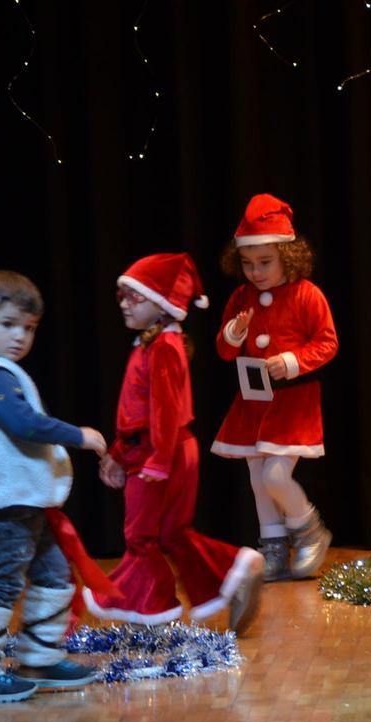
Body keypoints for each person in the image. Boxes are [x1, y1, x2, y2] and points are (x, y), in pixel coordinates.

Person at [86, 253, 264, 631]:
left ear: (162, 304)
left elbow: (165, 411)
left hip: (160, 454)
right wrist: (118, 455)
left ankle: (153, 615)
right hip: (161, 451)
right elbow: (138, 414)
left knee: (141, 536)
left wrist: (157, 462)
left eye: (134, 296)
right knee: (171, 535)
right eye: (122, 295)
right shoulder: (152, 345)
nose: (123, 302)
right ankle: (237, 570)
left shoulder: (164, 347)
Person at [0, 271, 104, 703]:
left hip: (24, 506)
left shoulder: (1, 370)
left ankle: (40, 656)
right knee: (3, 585)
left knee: (54, 577)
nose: (20, 336)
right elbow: (24, 424)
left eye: (29, 328)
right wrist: (79, 435)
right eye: (8, 324)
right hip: (1, 509)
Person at [213, 194, 338, 580]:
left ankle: (309, 529)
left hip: (294, 401)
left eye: (264, 262)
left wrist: (291, 361)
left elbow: (327, 342)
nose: (255, 272)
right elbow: (223, 350)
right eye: (248, 264)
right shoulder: (240, 297)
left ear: (289, 254)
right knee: (256, 476)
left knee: (275, 476)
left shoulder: (307, 294)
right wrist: (233, 334)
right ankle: (273, 547)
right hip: (254, 402)